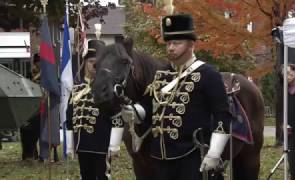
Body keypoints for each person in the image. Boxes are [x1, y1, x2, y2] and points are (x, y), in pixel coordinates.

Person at [121, 14, 232, 180]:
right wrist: (135, 111)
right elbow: (149, 106)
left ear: (191, 45)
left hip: (192, 157)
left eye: (177, 43)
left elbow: (222, 115)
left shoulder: (208, 74)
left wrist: (215, 152)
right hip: (160, 157)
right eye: (169, 43)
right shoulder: (162, 76)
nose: (171, 47)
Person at [66, 39, 113, 180]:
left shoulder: (107, 88)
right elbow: (69, 117)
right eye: (90, 61)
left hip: (101, 144)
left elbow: (115, 116)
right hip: (82, 144)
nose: (94, 65)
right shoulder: (77, 88)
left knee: (102, 176)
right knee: (86, 176)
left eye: (97, 62)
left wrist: (113, 144)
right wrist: (70, 144)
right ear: (85, 63)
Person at [20, 53, 41, 160]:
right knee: (26, 129)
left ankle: (33, 151)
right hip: (30, 105)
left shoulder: (45, 75)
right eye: (37, 62)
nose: (38, 65)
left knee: (36, 131)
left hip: (41, 105)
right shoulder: (30, 74)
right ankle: (29, 152)